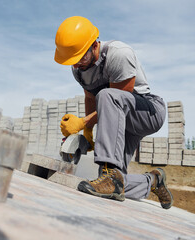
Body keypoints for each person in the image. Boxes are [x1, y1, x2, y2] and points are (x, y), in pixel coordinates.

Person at [55, 16, 173, 209]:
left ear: (94, 45)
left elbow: (118, 97)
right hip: (124, 120)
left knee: (108, 95)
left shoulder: (118, 54)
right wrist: (88, 133)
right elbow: (91, 98)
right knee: (113, 178)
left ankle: (112, 178)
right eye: (73, 61)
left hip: (149, 112)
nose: (76, 65)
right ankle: (153, 181)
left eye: (80, 58)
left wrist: (83, 122)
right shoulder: (78, 68)